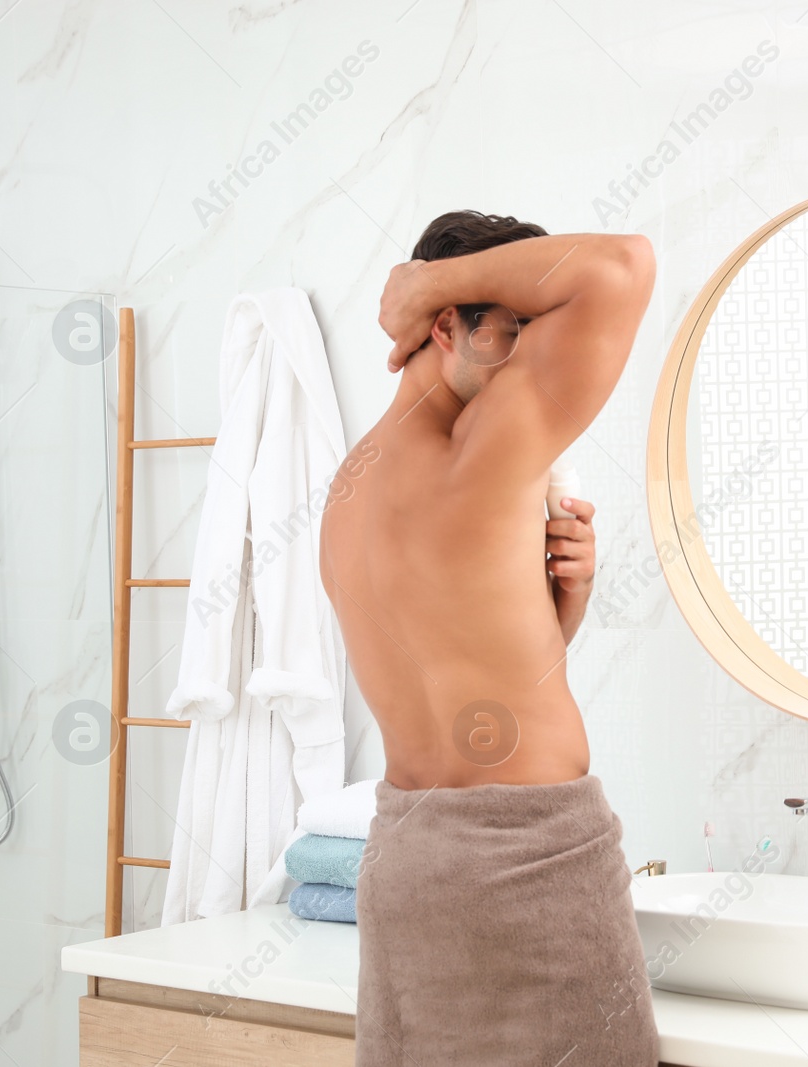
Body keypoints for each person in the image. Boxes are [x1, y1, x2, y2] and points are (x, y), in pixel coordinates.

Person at [319, 210, 657, 1065]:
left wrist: (560, 602)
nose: (531, 354)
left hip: (407, 860)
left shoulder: (349, 487)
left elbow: (468, 659)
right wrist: (423, 281)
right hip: (525, 867)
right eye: (514, 328)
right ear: (445, 326)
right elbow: (623, 265)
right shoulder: (487, 443)